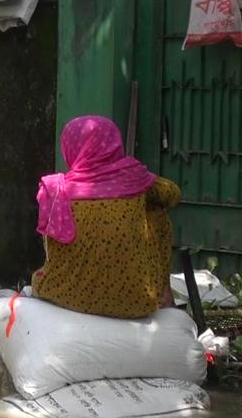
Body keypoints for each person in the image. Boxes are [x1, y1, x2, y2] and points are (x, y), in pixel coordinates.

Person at [32, 115, 180, 318]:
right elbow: (173, 194)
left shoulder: (55, 190)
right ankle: (164, 294)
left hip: (63, 294)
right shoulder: (136, 178)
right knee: (156, 211)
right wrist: (143, 183)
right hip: (135, 302)